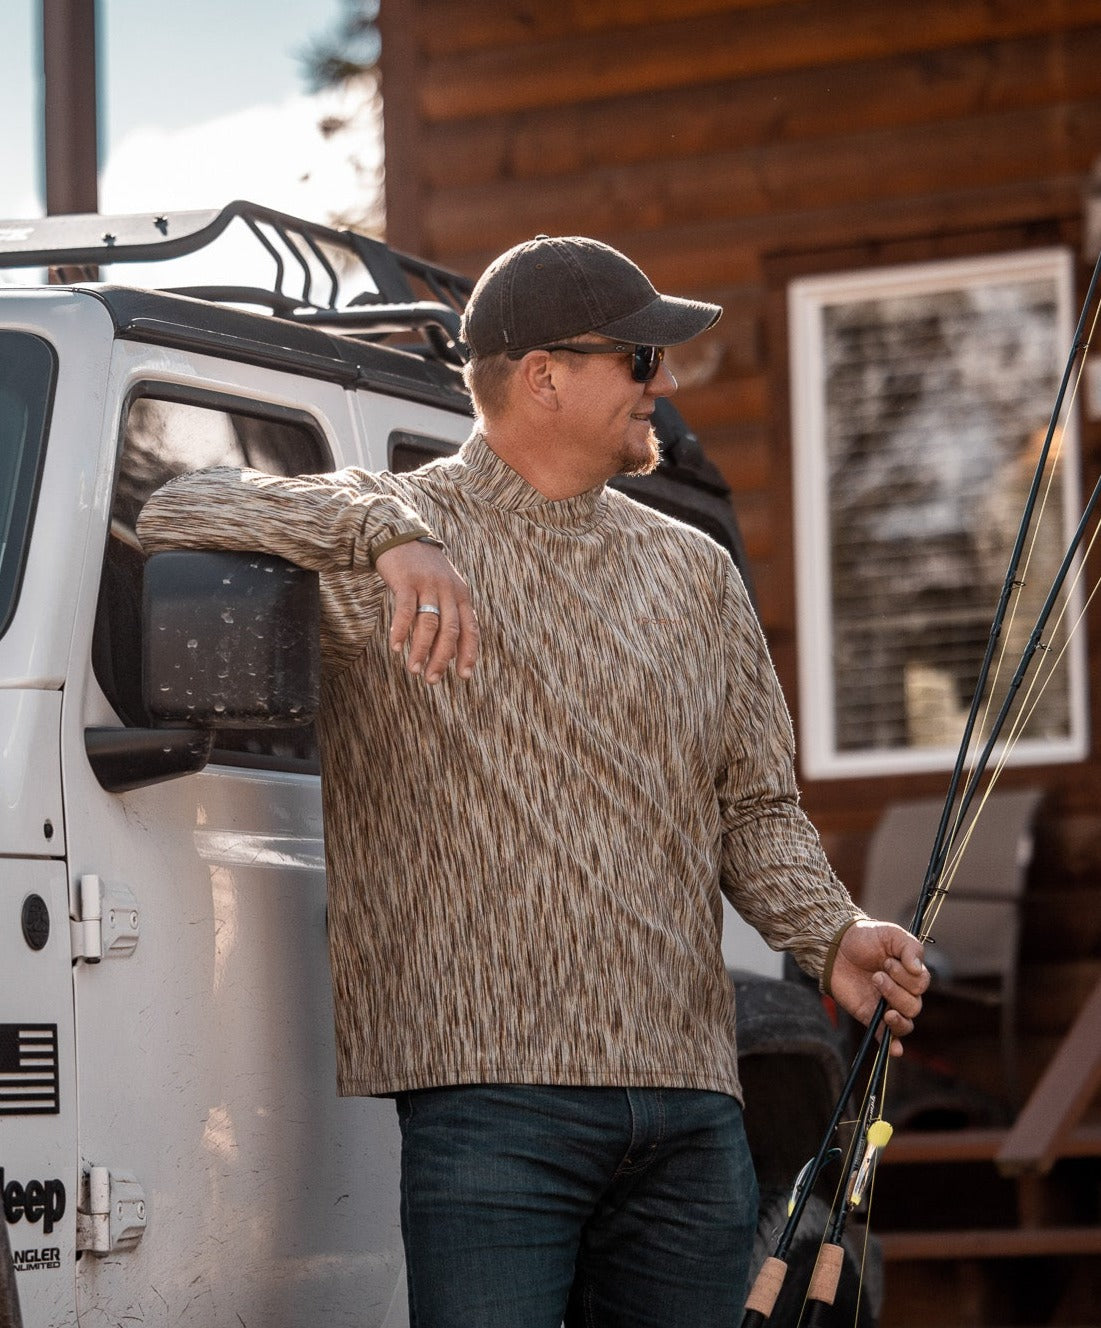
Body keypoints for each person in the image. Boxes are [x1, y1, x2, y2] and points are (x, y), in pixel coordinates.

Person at [136, 235, 929, 1328]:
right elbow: (177, 507)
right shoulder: (388, 546)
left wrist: (831, 934)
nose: (665, 381)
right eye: (641, 358)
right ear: (544, 375)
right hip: (492, 1105)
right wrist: (383, 533)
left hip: (690, 1106)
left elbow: (755, 809)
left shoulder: (694, 571)